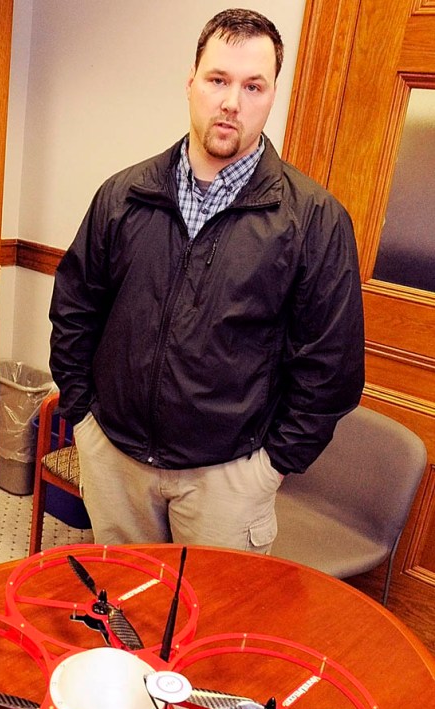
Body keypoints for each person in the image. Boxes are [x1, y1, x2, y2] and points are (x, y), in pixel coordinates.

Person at [49, 8, 364, 552]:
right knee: (125, 598)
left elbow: (330, 366)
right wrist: (82, 416)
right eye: (218, 79)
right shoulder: (123, 196)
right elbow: (75, 309)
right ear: (191, 82)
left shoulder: (315, 220)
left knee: (216, 608)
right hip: (116, 460)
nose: (231, 102)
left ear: (272, 95)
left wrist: (272, 466)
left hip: (228, 480)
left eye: (253, 86)